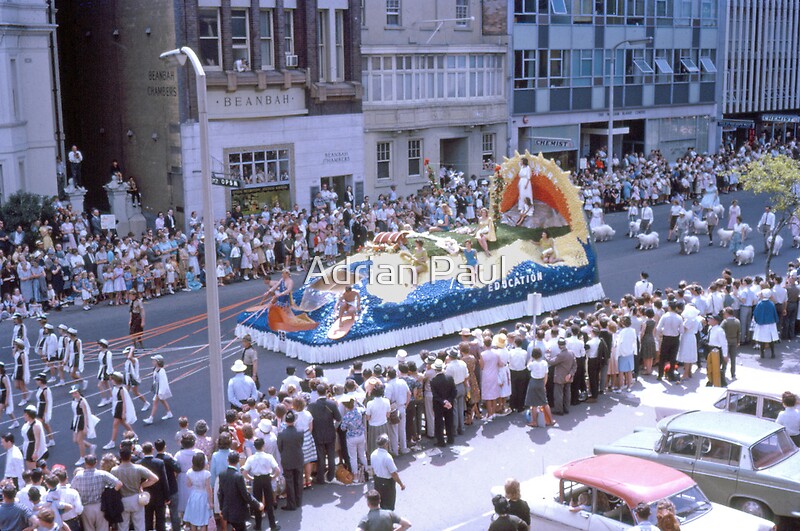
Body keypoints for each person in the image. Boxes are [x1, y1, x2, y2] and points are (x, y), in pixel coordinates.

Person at [111, 447, 158, 531]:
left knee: (123, 526)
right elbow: (155, 478)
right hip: (136, 499)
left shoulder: (114, 470)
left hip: (122, 500)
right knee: (139, 526)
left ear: (120, 457)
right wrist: (142, 485)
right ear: (130, 456)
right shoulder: (138, 468)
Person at [70, 454, 122, 531]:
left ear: (85, 463)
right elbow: (119, 484)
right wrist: (111, 494)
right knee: (103, 528)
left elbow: (72, 490)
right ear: (96, 463)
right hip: (100, 506)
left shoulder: (78, 476)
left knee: (88, 528)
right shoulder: (102, 474)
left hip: (86, 508)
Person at [241, 438, 281, 531]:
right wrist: (273, 477)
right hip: (267, 479)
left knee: (257, 502)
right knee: (269, 502)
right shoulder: (269, 457)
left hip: (257, 480)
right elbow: (277, 470)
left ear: (254, 447)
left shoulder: (251, 458)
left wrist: (251, 479)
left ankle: (258, 526)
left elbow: (244, 472)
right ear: (263, 446)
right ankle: (272, 525)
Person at [306, 384, 341, 485]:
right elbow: (338, 418)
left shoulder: (311, 406)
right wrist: (334, 426)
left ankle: (320, 478)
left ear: (317, 392)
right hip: (330, 432)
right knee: (331, 455)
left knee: (320, 456)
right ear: (326, 391)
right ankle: (330, 476)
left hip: (317, 434)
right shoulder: (332, 404)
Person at [139, 442, 170, 531]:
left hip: (145, 496)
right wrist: (167, 496)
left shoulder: (139, 463)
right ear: (153, 449)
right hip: (159, 496)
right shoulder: (159, 462)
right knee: (160, 520)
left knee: (147, 519)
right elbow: (164, 480)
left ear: (143, 451)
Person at [276, 410, 304, 511]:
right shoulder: (300, 432)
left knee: (290, 482)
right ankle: (298, 501)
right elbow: (301, 444)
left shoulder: (281, 434)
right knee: (298, 480)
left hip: (287, 459)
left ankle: (291, 504)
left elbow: (280, 448)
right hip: (298, 458)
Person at [369, 434, 404, 511]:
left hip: (377, 481)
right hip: (387, 483)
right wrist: (401, 484)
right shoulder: (387, 457)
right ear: (386, 445)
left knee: (379, 504)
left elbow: (373, 469)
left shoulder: (373, 454)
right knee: (389, 505)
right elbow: (394, 474)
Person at [103, 372, 137, 450]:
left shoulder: (121, 390)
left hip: (120, 407)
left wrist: (123, 412)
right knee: (123, 422)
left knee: (115, 424)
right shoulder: (116, 388)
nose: (111, 381)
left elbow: (124, 402)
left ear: (116, 380)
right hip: (118, 406)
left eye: (113, 380)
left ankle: (112, 442)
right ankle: (134, 434)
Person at [182, 452, 213, 531]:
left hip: (194, 495)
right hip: (204, 496)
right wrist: (211, 502)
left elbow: (188, 484)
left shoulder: (189, 472)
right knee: (204, 520)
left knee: (193, 519)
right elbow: (208, 489)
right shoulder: (207, 474)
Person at [429, 359, 456, 447]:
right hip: (449, 404)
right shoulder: (450, 378)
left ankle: (441, 441)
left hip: (438, 405)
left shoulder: (433, 381)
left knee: (439, 422)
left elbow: (435, 396)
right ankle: (450, 438)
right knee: (449, 421)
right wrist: (449, 401)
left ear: (435, 369)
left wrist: (443, 401)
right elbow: (454, 392)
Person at [524, 349, 553, 428]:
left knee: (534, 404)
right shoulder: (544, 363)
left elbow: (528, 366)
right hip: (541, 382)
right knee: (545, 402)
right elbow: (546, 375)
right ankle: (551, 420)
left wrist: (530, 358)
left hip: (533, 382)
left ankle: (534, 422)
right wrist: (544, 385)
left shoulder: (532, 364)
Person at [69, 386, 98, 466]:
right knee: (75, 440)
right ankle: (91, 446)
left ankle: (82, 457)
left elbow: (85, 414)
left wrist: (85, 426)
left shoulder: (82, 402)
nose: (74, 395)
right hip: (76, 420)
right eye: (73, 393)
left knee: (79, 440)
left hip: (81, 421)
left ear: (79, 392)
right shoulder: (74, 400)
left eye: (76, 393)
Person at [548, 338, 577, 416]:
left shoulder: (561, 355)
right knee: (567, 393)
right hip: (568, 376)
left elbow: (552, 362)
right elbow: (574, 365)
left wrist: (547, 356)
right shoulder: (571, 353)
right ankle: (566, 408)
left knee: (558, 394)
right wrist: (570, 374)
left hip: (560, 377)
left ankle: (559, 410)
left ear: (559, 345)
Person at [143, 355, 173, 424]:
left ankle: (151, 418)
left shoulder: (161, 371)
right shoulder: (155, 369)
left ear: (158, 362)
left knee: (155, 402)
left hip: (159, 389)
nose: (152, 362)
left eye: (154, 361)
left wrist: (160, 392)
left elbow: (163, 381)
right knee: (162, 401)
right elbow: (155, 379)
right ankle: (169, 413)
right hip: (157, 388)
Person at [753, 289, 779, 359]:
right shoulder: (771, 304)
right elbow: (774, 313)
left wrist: (756, 320)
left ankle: (762, 354)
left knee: (762, 339)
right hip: (771, 323)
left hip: (762, 324)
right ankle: (773, 353)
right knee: (771, 339)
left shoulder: (759, 303)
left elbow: (756, 313)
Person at [96, 340, 114, 407]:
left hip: (106, 371)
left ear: (103, 346)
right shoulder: (100, 353)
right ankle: (112, 397)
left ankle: (104, 399)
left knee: (99, 385)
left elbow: (109, 364)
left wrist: (109, 374)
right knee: (106, 384)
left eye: (100, 345)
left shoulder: (108, 353)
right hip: (102, 370)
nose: (98, 346)